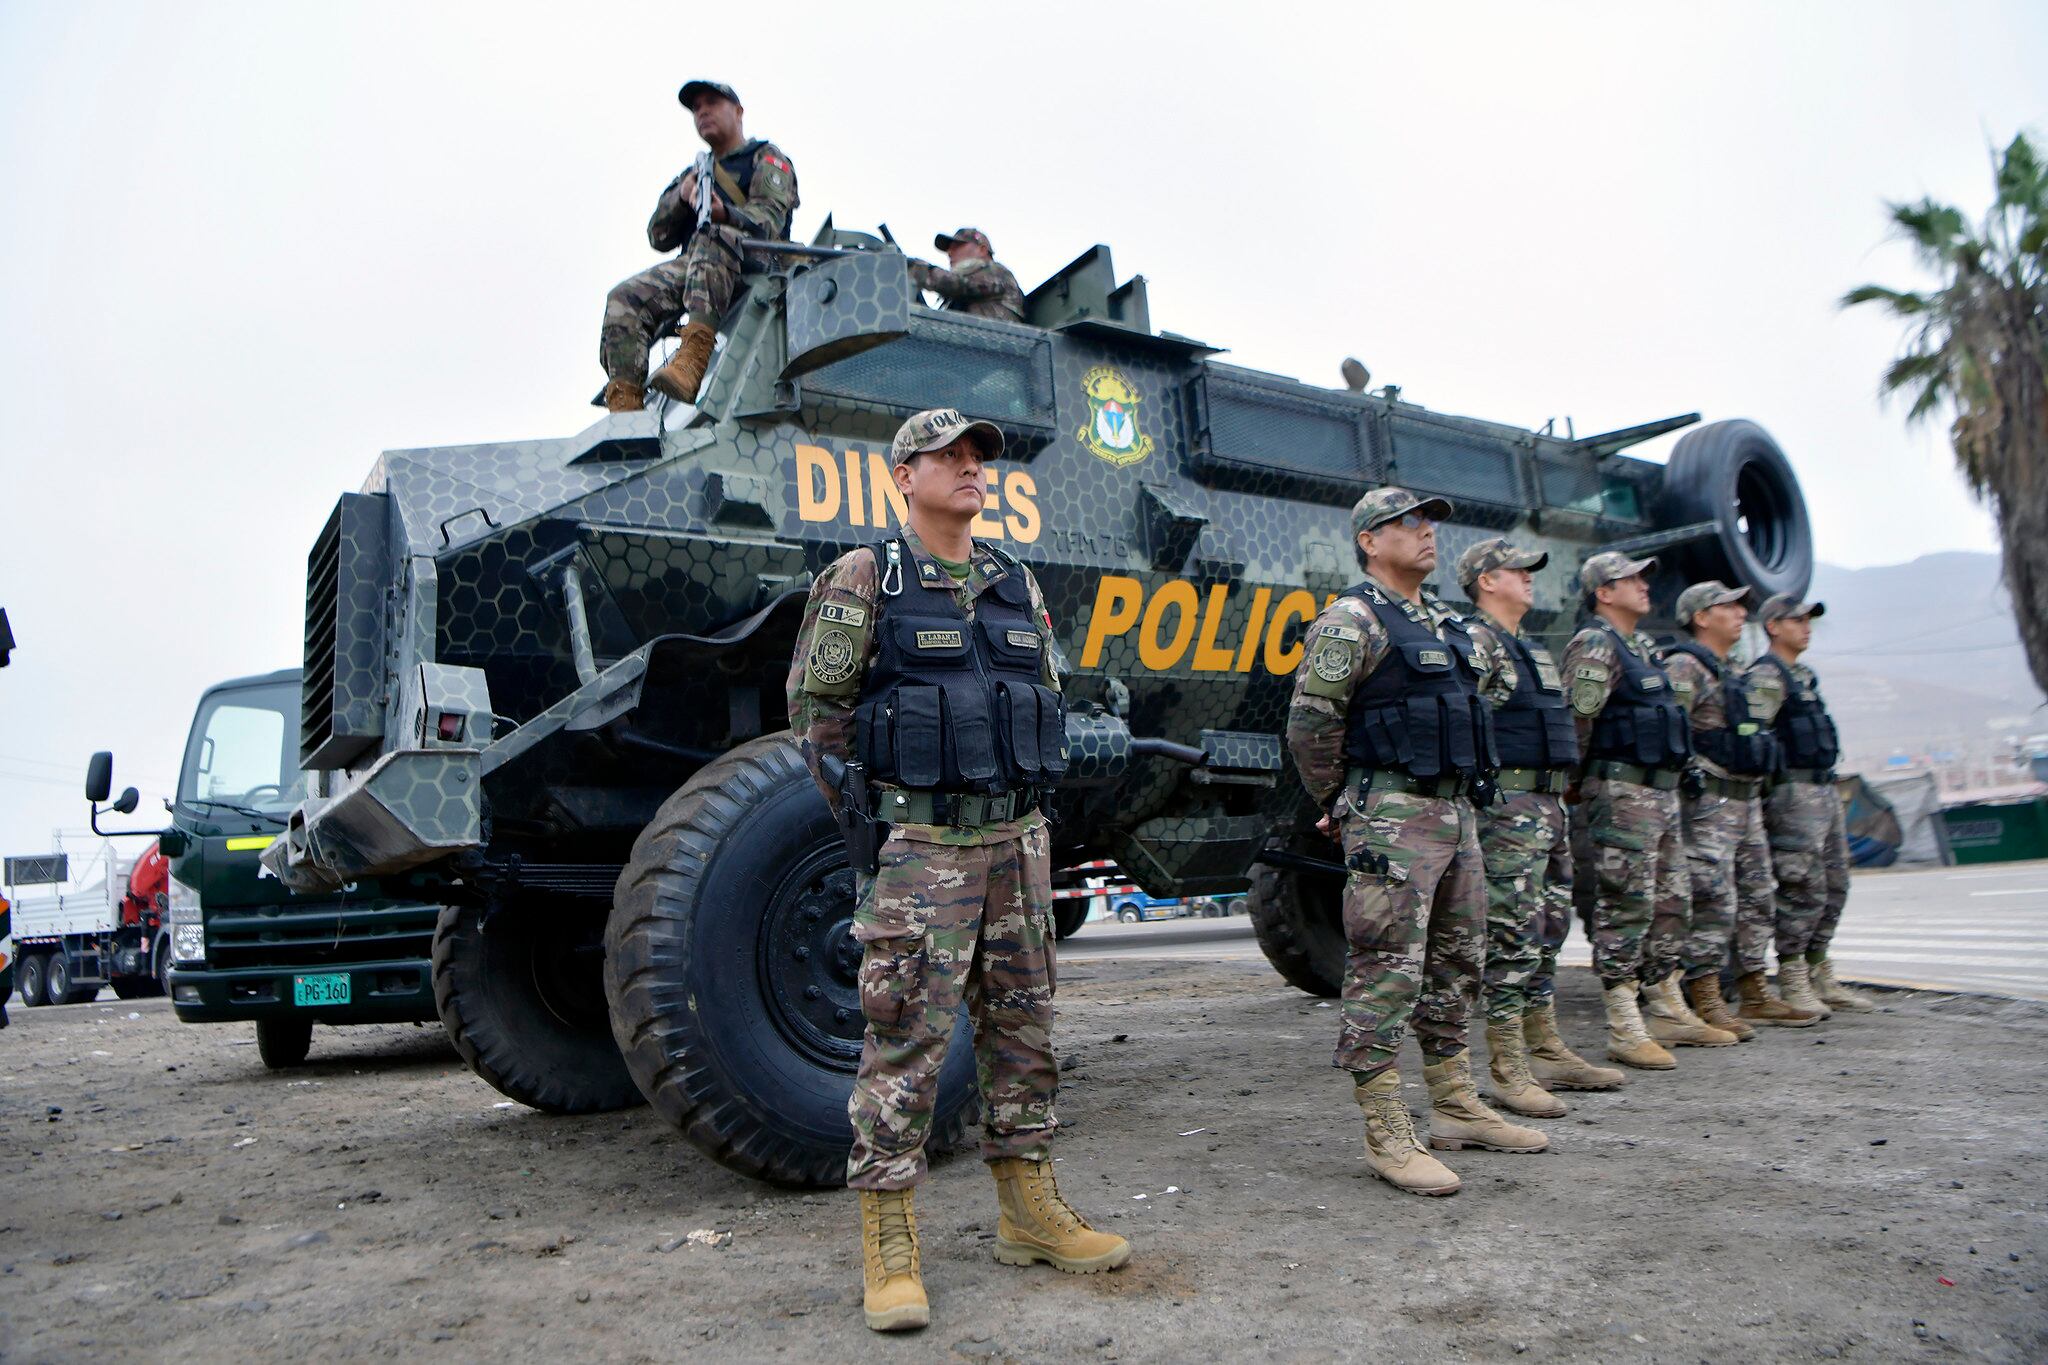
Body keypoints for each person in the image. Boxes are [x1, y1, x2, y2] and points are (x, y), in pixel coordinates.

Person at [786, 407, 1127, 1333]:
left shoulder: (1014, 581)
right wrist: (877, 830)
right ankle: (891, 1240)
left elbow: (1045, 694)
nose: (971, 467)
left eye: (979, 455)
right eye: (950, 454)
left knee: (1026, 1032)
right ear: (904, 474)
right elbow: (817, 713)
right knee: (904, 1040)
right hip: (921, 851)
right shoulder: (864, 577)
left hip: (1017, 842)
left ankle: (1029, 1208)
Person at [1287, 490, 1549, 1199]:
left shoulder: (1449, 626)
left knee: (1460, 960)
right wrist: (1342, 802)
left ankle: (1457, 1104)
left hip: (1457, 813)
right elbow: (1311, 723)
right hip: (1392, 816)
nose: (1426, 530)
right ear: (1370, 540)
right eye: (1408, 522)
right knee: (1387, 967)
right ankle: (1385, 1130)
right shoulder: (1353, 620)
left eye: (1428, 520)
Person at [1455, 539, 1625, 1113]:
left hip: (1548, 807)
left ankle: (1544, 1044)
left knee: (1548, 928)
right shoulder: (1477, 643)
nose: (1529, 578)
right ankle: (1508, 1066)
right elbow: (1462, 724)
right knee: (1510, 933)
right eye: (1516, 570)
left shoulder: (1529, 648)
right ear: (1485, 580)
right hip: (1508, 809)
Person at [1559, 552, 1698, 1071]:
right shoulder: (1596, 643)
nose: (1643, 585)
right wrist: (1578, 786)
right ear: (1603, 591)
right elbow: (1577, 720)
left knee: (1671, 903)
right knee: (1626, 903)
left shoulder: (1642, 646)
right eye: (1630, 579)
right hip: (1620, 792)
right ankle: (1623, 1022)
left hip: (1660, 793)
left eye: (1644, 578)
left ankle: (1665, 1004)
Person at [1662, 582, 1813, 1034]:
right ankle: (1706, 996)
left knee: (1757, 895)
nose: (1738, 612)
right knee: (1711, 897)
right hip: (1709, 800)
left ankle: (1754, 989)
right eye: (1726, 606)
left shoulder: (1732, 669)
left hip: (1744, 801)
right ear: (1701, 617)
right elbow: (1672, 732)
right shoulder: (1685, 666)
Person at [598, 80, 799, 411]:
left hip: (755, 260)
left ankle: (692, 360)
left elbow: (769, 220)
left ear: (738, 112)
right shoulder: (694, 172)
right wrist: (682, 197)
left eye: (712, 103)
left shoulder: (766, 158)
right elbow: (658, 236)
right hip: (700, 269)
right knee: (624, 298)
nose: (702, 111)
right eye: (697, 108)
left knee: (713, 234)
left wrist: (725, 213)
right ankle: (625, 406)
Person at [1750, 594, 1874, 1013]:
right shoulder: (1767, 676)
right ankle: (1792, 975)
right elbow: (1755, 738)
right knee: (1801, 885)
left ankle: (1819, 968)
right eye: (1796, 620)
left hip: (1822, 790)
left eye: (1808, 620)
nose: (1806, 627)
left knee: (1834, 884)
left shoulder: (1802, 675)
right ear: (1773, 626)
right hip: (1792, 794)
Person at [907, 228, 1026, 322]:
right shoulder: (956, 292)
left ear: (982, 250)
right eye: (949, 249)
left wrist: (920, 270)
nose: (949, 253)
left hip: (996, 345)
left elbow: (962, 285)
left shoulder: (998, 272)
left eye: (957, 246)